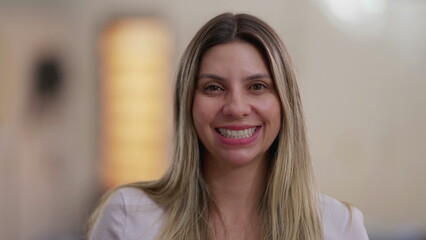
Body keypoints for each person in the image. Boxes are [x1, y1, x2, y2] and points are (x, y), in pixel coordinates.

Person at [87, 13, 369, 240]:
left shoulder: (340, 228)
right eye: (213, 87)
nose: (236, 107)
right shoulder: (129, 217)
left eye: (257, 86)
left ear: (286, 104)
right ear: (188, 104)